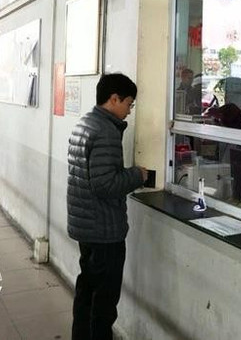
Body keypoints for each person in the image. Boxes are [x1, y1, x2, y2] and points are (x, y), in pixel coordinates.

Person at [67, 73, 148, 340]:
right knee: (104, 301)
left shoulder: (86, 124)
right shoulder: (106, 132)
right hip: (104, 229)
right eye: (129, 104)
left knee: (87, 291)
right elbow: (105, 184)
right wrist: (138, 175)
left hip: (86, 226)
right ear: (114, 99)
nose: (129, 110)